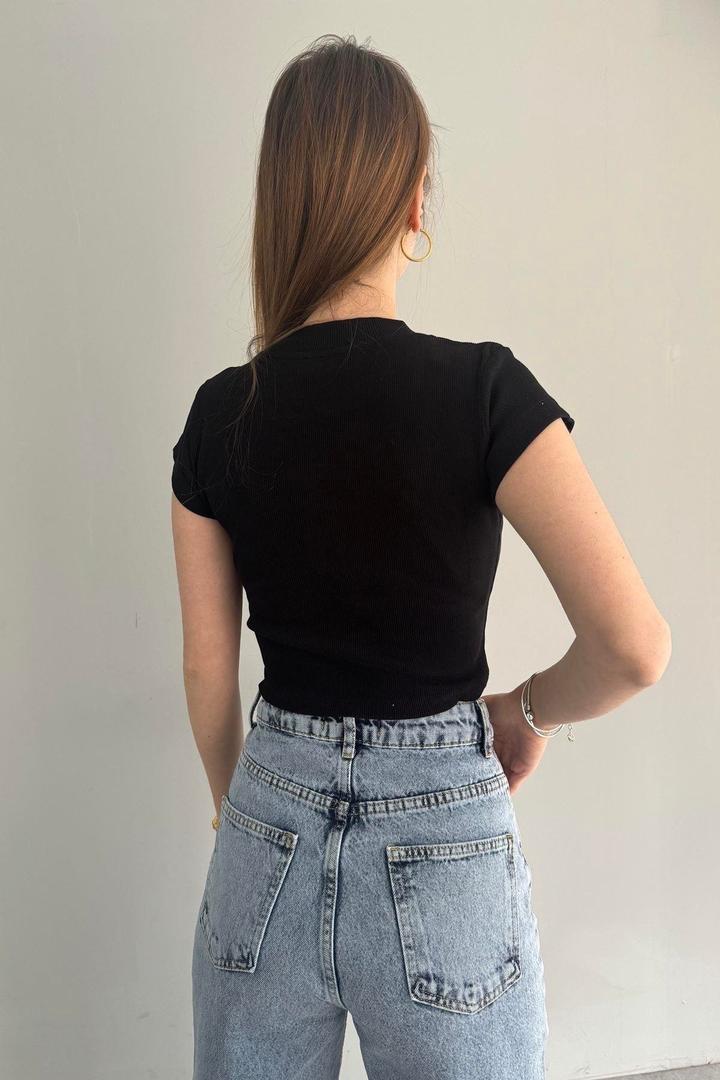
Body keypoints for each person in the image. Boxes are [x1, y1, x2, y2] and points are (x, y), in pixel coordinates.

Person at [170, 33, 671, 1080]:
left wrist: (244, 814)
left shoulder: (220, 415)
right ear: (412, 204)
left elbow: (210, 672)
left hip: (266, 830)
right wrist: (523, 713)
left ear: (281, 205)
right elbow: (633, 648)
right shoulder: (485, 393)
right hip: (443, 835)